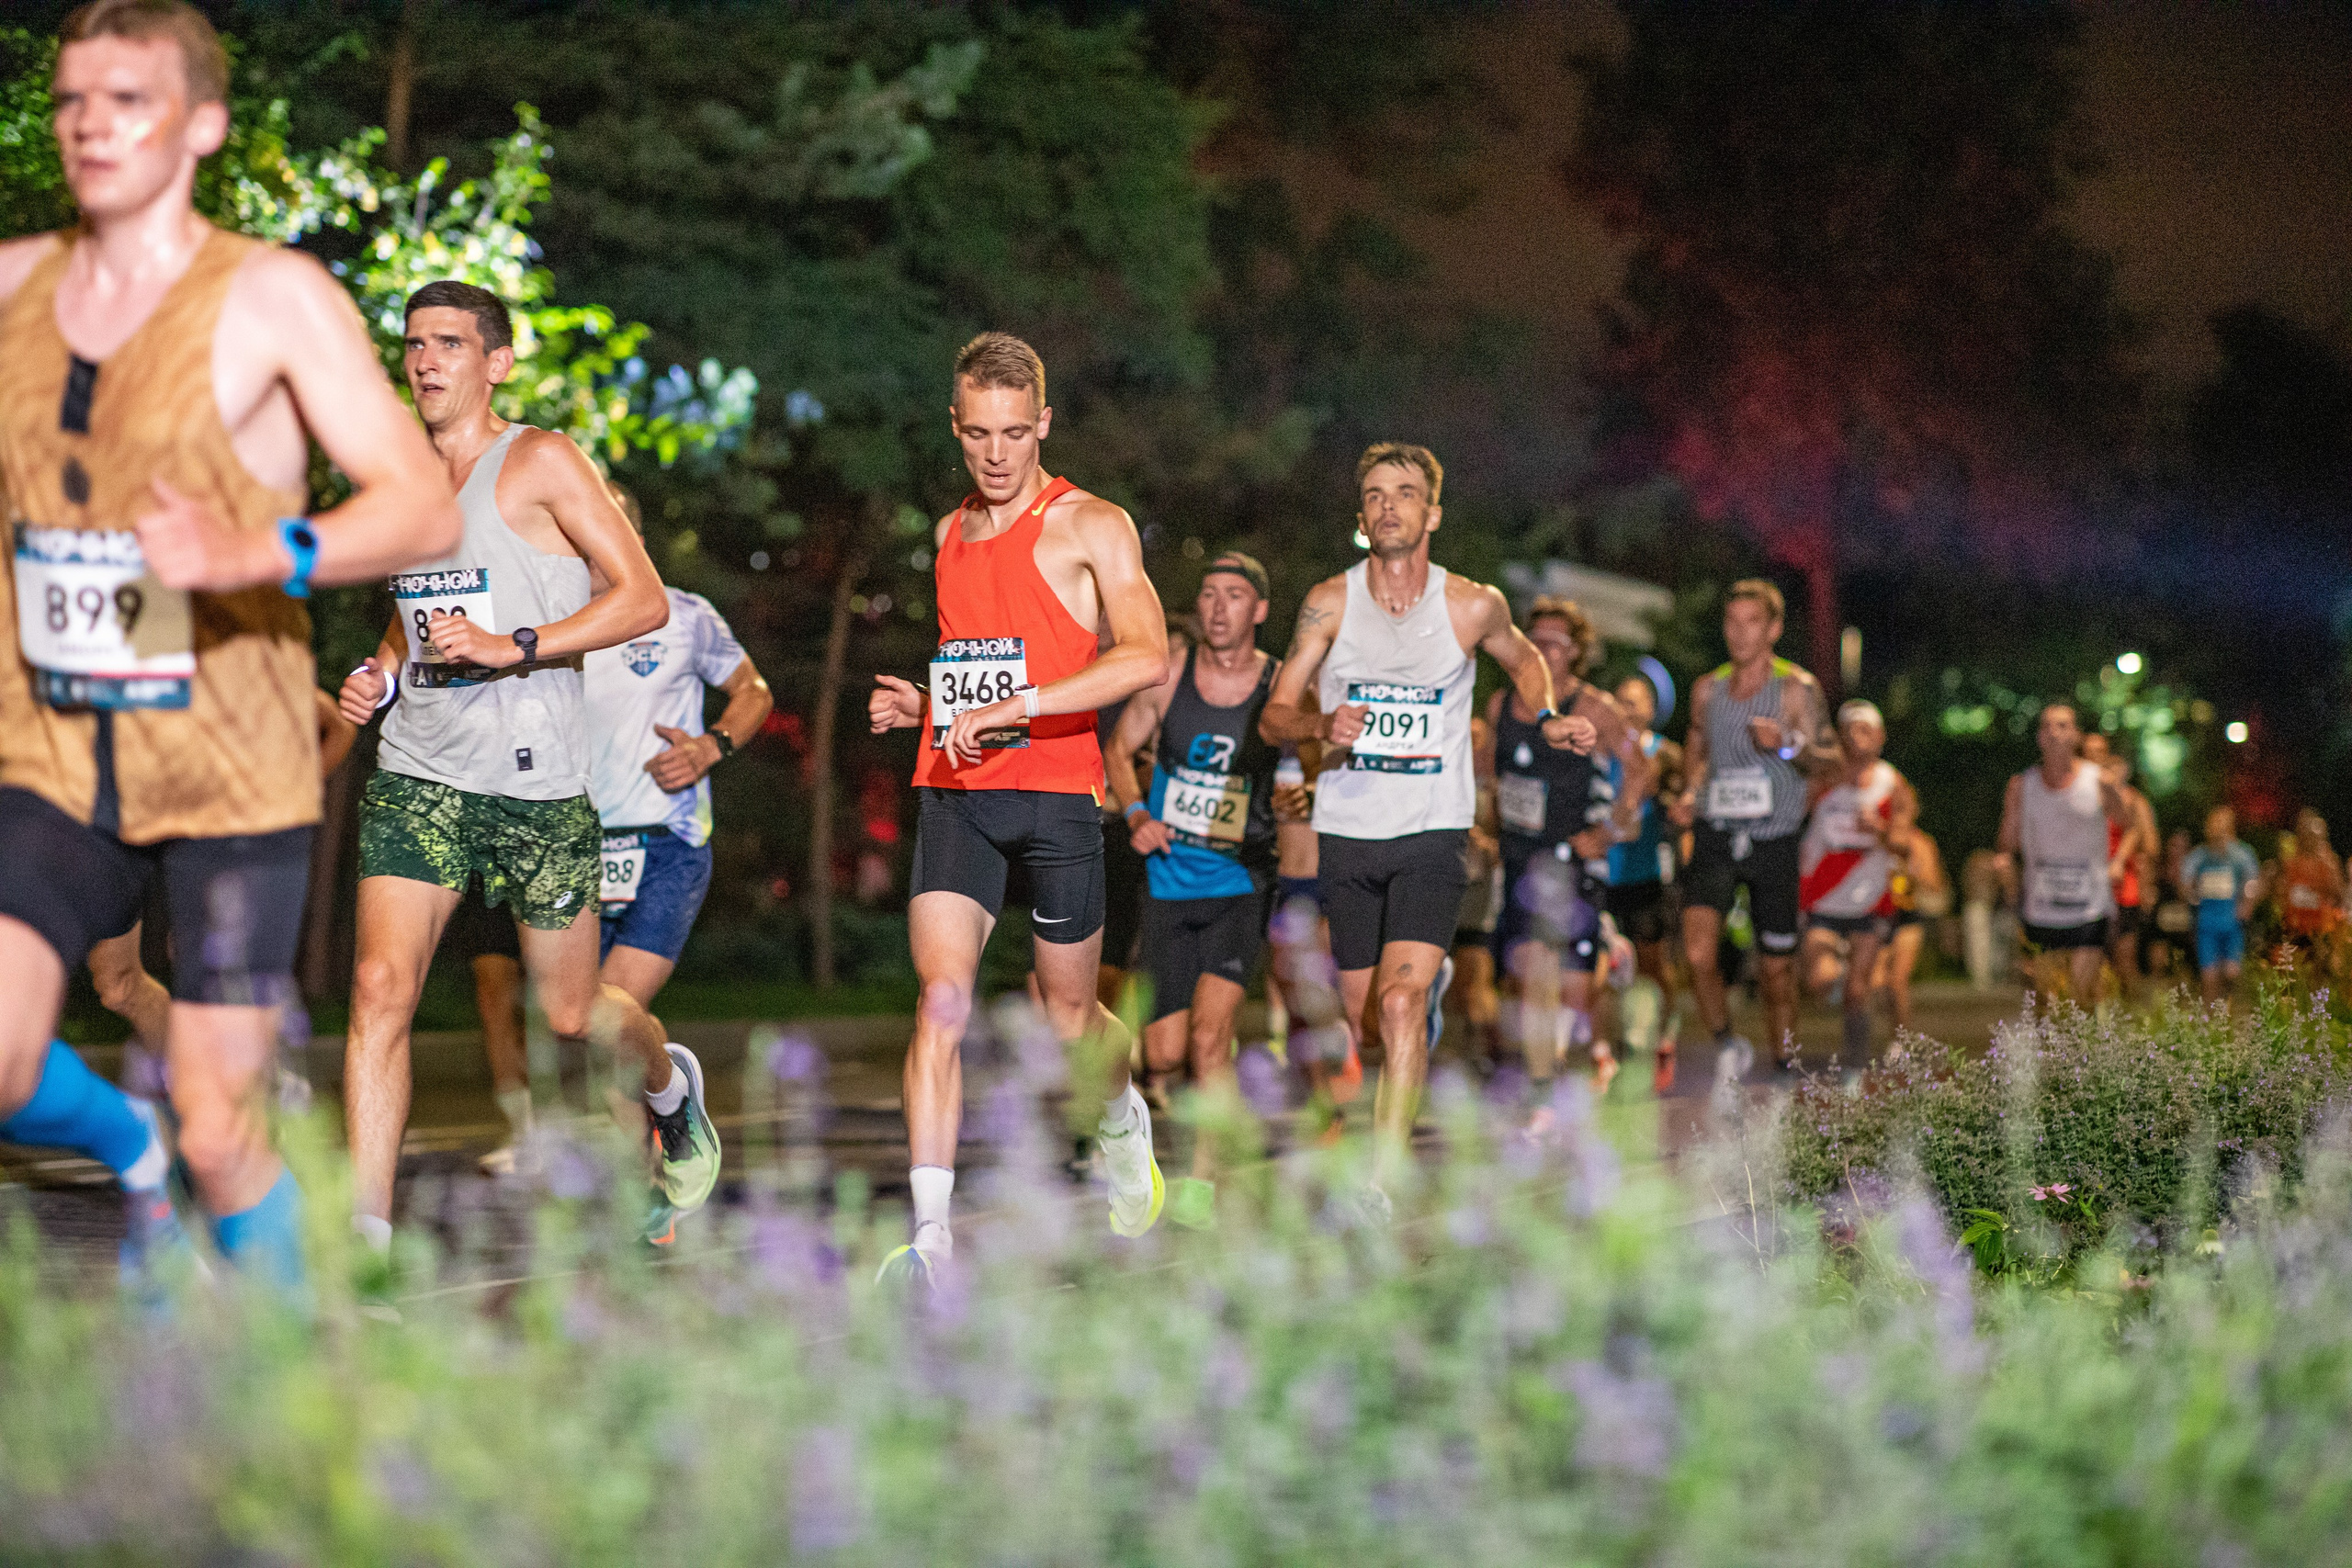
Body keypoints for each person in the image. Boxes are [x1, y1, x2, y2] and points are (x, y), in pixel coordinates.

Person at [0, 1, 458, 1292]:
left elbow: (420, 506)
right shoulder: (13, 285)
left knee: (221, 1122)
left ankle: (295, 1367)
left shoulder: (272, 296)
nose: (92, 126)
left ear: (201, 124)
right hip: (51, 747)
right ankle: (129, 1150)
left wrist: (261, 550)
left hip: (227, 765)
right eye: (72, 101)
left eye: (127, 100)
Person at [338, 281, 714, 1253]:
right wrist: (381, 674)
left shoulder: (541, 460)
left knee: (572, 1012)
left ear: (496, 362)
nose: (425, 360)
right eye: (414, 343)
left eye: (449, 343)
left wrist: (517, 645)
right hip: (421, 770)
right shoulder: (398, 475)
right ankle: (366, 1250)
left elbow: (641, 598)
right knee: (379, 987)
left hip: (537, 782)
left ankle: (668, 1086)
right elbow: (417, 611)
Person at [867, 333, 1171, 1283]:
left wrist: (1020, 708)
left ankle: (1121, 1117)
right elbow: (981, 664)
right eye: (976, 435)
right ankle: (930, 1239)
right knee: (941, 1002)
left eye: (1012, 433)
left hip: (1056, 793)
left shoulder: (1091, 524)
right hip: (957, 791)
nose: (995, 455)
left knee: (1069, 1020)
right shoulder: (948, 534)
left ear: (1042, 424)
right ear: (955, 427)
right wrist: (931, 706)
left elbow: (1145, 654)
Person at [1260, 442, 1597, 1213]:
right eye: (1376, 495)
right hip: (1348, 829)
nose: (1389, 506)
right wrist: (1317, 724)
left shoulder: (1471, 605)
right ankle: (1420, 999)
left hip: (1432, 830)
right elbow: (1275, 713)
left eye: (1405, 493)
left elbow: (1524, 661)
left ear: (1433, 513)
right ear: (1361, 515)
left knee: (1399, 1005)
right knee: (1366, 1023)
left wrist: (1547, 716)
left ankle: (1382, 1179)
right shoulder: (1329, 602)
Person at [1103, 552, 1279, 1229]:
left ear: (1259, 610)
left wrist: (1301, 787)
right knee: (1164, 1053)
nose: (1217, 607)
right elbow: (1119, 750)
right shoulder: (1169, 676)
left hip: (1240, 883)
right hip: (1168, 884)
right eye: (1208, 594)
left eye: (1233, 594)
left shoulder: (1277, 685)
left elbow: (1307, 748)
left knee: (1209, 1039)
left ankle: (1203, 1177)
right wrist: (1136, 814)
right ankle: (1189, 1124)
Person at [582, 485, 771, 1010]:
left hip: (668, 844)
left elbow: (753, 690)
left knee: (608, 1013)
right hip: (575, 845)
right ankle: (664, 1068)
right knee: (574, 1025)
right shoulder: (543, 629)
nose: (587, 544)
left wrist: (711, 746)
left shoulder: (683, 615)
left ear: (635, 542)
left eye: (602, 528)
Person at [1671, 581, 1839, 1082]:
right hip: (1717, 832)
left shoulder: (1795, 688)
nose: (1740, 633)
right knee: (1697, 953)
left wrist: (1787, 744)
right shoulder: (1708, 689)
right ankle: (1727, 1042)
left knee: (1776, 969)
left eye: (1752, 622)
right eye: (1732, 621)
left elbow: (1832, 760)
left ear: (1773, 629)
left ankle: (1785, 1062)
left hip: (1774, 838)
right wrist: (1689, 792)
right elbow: (1696, 748)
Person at [1479, 597, 1645, 1099]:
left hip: (1574, 854)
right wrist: (1483, 823)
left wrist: (1609, 831)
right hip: (1520, 854)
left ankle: (1607, 957)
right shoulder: (1501, 705)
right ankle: (1542, 1085)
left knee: (1572, 988)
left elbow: (1641, 769)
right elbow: (1486, 772)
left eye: (1557, 642)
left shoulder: (1595, 708)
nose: (1545, 650)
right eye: (1536, 641)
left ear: (1577, 651)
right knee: (1530, 968)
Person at [1796, 700, 1917, 1077]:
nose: (1856, 736)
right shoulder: (1823, 780)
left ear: (1880, 737)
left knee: (1858, 990)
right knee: (1819, 978)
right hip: (1823, 898)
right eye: (1849, 728)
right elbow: (1791, 817)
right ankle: (1840, 987)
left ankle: (1855, 1061)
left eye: (1865, 729)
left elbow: (1905, 845)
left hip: (1869, 899)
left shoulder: (1893, 784)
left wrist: (1879, 830)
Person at [1993, 704, 2132, 1003]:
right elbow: (2007, 842)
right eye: (2047, 726)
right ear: (2039, 738)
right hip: (2042, 908)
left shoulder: (2098, 781)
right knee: (2049, 1004)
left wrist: (2119, 860)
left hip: (2090, 906)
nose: (2054, 733)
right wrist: (2003, 861)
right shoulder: (2022, 786)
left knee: (2078, 1000)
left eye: (2063, 726)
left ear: (2076, 736)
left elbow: (2128, 824)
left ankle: (2090, 1030)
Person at [1608, 673, 1685, 1089]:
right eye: (1621, 700)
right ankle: (1616, 1049)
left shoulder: (1664, 752)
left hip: (1648, 872)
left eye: (1635, 702)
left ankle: (1664, 1036)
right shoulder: (1602, 749)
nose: (1627, 709)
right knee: (1608, 966)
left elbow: (1663, 787)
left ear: (1652, 710)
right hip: (1606, 871)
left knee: (1652, 963)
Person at [2079, 732, 2156, 1003]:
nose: (2093, 757)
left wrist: (2123, 861)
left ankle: (2129, 1013)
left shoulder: (2125, 795)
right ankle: (2095, 1015)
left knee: (2124, 955)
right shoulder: (2075, 789)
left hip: (2121, 886)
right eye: (2088, 752)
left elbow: (2144, 838)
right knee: (2092, 956)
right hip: (2087, 885)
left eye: (2099, 752)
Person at [2181, 806, 2262, 1003]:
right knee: (2209, 977)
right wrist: (2190, 894)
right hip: (2207, 924)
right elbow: (2185, 881)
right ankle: (2210, 1016)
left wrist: (2247, 904)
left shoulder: (2241, 855)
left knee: (2231, 973)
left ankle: (2230, 1012)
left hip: (2232, 924)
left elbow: (2252, 881)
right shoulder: (2199, 856)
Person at [1874, 824, 1947, 1033]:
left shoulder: (1920, 842)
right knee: (1877, 982)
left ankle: (1901, 1039)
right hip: (1879, 915)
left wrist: (1914, 871)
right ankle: (1890, 1029)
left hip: (1907, 914)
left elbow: (1934, 884)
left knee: (1898, 980)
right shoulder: (1876, 835)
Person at [2276, 808, 2344, 962]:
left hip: (2321, 928)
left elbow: (2338, 895)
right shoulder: (2291, 862)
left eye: (2315, 837)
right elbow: (2282, 891)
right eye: (2306, 836)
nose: (2310, 841)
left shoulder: (2329, 863)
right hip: (2295, 927)